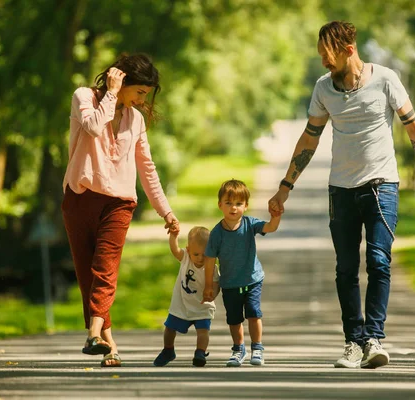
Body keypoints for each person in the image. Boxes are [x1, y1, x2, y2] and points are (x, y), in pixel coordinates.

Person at [268, 21, 415, 369]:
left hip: (382, 186)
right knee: (346, 268)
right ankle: (353, 342)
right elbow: (309, 139)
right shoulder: (323, 89)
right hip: (341, 191)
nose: (323, 63)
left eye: (327, 56)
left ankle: (374, 339)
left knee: (378, 262)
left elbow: (414, 126)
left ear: (349, 50)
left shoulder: (385, 79)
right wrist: (284, 187)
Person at [61, 53, 179, 368]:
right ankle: (107, 342)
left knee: (105, 269)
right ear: (123, 81)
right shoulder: (84, 97)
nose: (142, 100)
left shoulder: (136, 120)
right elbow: (94, 127)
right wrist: (112, 94)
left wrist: (165, 211)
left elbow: (147, 169)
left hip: (119, 202)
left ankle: (93, 333)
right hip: (80, 197)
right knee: (88, 275)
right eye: (140, 91)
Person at [202, 179, 281, 367]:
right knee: (234, 319)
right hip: (229, 283)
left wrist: (275, 216)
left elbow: (270, 227)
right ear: (220, 204)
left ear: (246, 206)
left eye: (238, 203)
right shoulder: (216, 233)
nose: (233, 208)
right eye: (228, 203)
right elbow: (210, 261)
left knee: (254, 313)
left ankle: (257, 347)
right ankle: (239, 349)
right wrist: (208, 286)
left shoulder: (249, 224)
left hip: (252, 279)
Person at [153, 226, 220, 367]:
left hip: (202, 306)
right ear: (188, 250)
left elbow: (216, 284)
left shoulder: (212, 267)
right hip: (181, 304)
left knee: (203, 332)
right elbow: (174, 250)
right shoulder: (185, 259)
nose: (200, 258)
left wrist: (212, 294)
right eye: (196, 254)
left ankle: (200, 353)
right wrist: (173, 236)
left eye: (205, 254)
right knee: (169, 329)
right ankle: (168, 350)